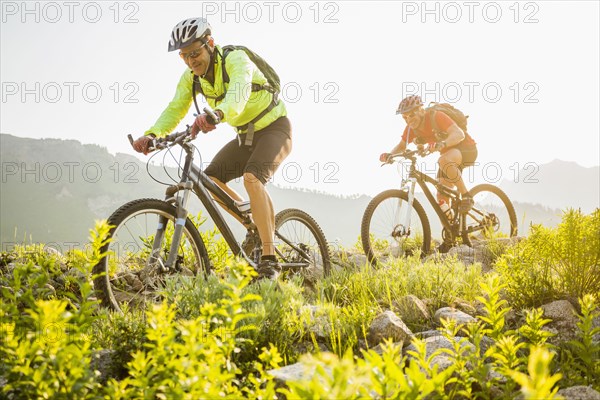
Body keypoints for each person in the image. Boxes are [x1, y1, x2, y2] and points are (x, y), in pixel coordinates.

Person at [132, 17, 291, 280]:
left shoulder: (236, 59)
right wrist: (152, 135)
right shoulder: (191, 78)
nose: (191, 61)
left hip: (275, 128)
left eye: (195, 53)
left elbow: (237, 95)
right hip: (245, 136)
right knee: (210, 180)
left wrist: (217, 113)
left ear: (210, 44)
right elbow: (175, 108)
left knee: (253, 178)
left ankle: (269, 257)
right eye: (184, 56)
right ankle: (254, 226)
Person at [380, 95, 478, 233]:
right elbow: (402, 145)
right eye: (404, 118)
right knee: (442, 198)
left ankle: (466, 196)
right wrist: (390, 155)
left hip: (466, 149)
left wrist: (442, 144)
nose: (408, 120)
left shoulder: (436, 116)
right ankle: (451, 234)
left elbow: (459, 134)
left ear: (421, 110)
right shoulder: (410, 128)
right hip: (448, 157)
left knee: (443, 160)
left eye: (411, 114)